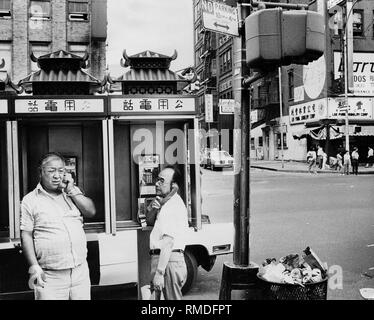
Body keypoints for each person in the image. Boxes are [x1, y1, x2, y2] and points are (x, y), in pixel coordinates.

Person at [20, 152, 96, 300]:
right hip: (49, 276)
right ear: (41, 172)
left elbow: (90, 211)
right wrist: (34, 266)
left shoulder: (71, 192)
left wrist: (72, 190)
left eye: (61, 171)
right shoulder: (30, 200)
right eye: (51, 171)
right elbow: (26, 235)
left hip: (80, 271)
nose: (57, 176)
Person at [148, 166, 189, 300]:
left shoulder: (173, 207)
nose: (156, 183)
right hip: (164, 261)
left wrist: (160, 272)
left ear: (174, 186)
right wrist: (154, 209)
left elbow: (168, 242)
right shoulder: (166, 204)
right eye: (157, 180)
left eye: (161, 181)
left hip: (167, 262)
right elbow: (149, 222)